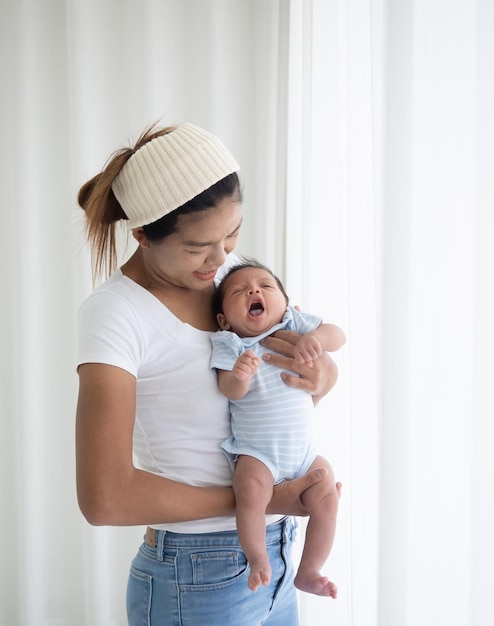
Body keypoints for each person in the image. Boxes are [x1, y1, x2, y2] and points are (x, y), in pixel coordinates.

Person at [75, 121, 339, 626]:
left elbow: (293, 381)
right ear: (142, 234)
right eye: (199, 246)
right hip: (197, 576)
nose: (221, 259)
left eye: (232, 235)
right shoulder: (116, 314)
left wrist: (320, 377)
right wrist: (258, 499)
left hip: (281, 557)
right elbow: (103, 498)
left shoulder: (232, 281)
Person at [211, 260, 345, 598]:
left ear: (285, 303)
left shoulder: (294, 323)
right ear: (224, 320)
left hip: (304, 455)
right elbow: (229, 389)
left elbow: (338, 336)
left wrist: (315, 338)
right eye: (240, 291)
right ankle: (257, 558)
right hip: (258, 454)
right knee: (251, 494)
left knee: (327, 495)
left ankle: (310, 569)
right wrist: (240, 374)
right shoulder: (231, 343)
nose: (254, 291)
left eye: (265, 286)